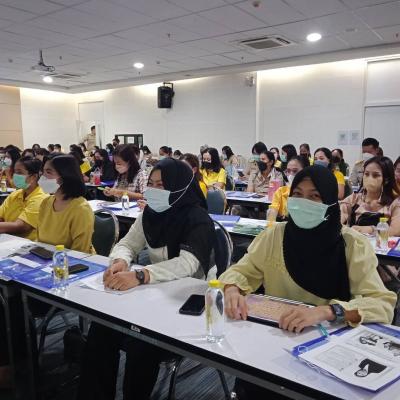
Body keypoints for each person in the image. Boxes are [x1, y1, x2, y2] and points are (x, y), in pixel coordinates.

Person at [220, 165, 397, 398]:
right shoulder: (275, 235)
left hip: (326, 352)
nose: (303, 203)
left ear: (330, 203)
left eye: (314, 196)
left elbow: (382, 304)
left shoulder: (352, 245)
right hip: (272, 342)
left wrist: (328, 311)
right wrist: (232, 289)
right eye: (297, 194)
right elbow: (242, 271)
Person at [77, 158, 216, 400]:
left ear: (179, 186)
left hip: (185, 300)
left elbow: (187, 264)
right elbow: (127, 244)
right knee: (102, 329)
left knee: (141, 342)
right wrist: (120, 261)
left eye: (161, 185)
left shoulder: (198, 218)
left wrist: (141, 274)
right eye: (150, 183)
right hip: (153, 293)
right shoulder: (150, 214)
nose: (153, 190)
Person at [37, 154, 94, 253]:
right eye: (43, 172)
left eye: (48, 172)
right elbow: (40, 241)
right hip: (46, 257)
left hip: (71, 260)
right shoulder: (45, 203)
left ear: (64, 177)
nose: (43, 177)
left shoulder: (81, 209)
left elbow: (79, 252)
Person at [341, 156, 400, 236]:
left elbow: (395, 231)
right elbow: (338, 218)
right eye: (366, 174)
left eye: (375, 175)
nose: (369, 178)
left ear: (386, 180)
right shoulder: (354, 198)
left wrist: (371, 229)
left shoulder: (395, 203)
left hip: (381, 243)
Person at [0, 157, 47, 240]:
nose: (15, 175)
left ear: (33, 177)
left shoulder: (41, 198)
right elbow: (1, 215)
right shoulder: (15, 194)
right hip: (7, 239)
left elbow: (21, 226)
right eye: (15, 172)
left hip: (27, 243)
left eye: (19, 172)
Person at [267, 155, 308, 222]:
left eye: (295, 171)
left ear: (306, 171)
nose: (291, 175)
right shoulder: (281, 191)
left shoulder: (312, 194)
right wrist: (271, 219)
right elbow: (272, 212)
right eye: (288, 171)